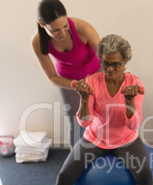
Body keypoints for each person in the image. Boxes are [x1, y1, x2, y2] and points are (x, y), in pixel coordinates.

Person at [30, 34, 153, 185]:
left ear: (125, 62)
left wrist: (129, 102)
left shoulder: (135, 84)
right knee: (64, 176)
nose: (110, 69)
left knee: (146, 175)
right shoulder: (91, 81)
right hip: (95, 138)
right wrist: (82, 99)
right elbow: (85, 122)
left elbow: (133, 123)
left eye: (115, 64)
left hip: (126, 139)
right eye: (105, 63)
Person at [32, 0, 101, 150]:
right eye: (55, 30)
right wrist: (75, 84)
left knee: (103, 115)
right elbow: (52, 77)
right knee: (75, 121)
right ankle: (75, 160)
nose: (62, 33)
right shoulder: (37, 42)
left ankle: (105, 152)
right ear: (41, 24)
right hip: (68, 80)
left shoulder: (83, 28)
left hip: (96, 73)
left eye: (65, 26)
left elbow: (106, 58)